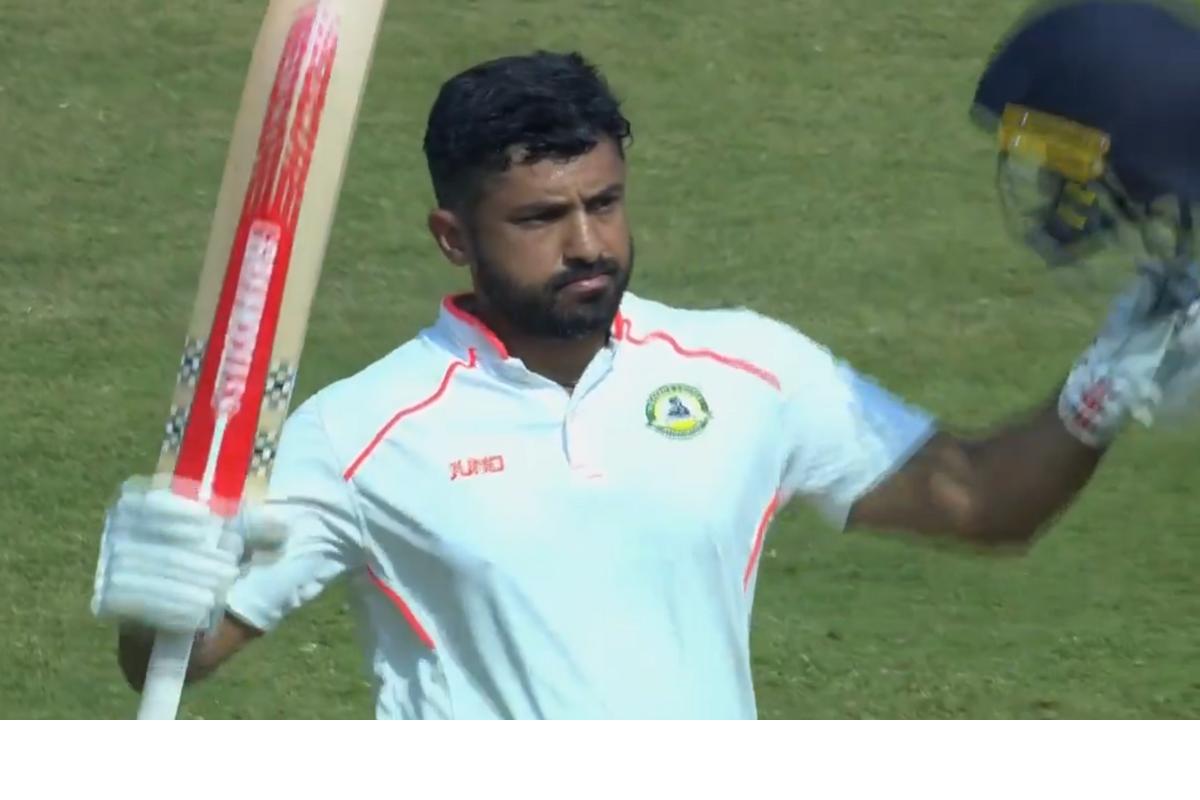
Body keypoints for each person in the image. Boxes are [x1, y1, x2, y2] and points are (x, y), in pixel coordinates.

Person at [91, 1, 1200, 719]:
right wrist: (163, 587)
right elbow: (169, 662)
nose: (587, 243)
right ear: (453, 236)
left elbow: (974, 500)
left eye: (605, 202)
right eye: (541, 217)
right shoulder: (360, 429)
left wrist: (1096, 393)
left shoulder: (745, 369)